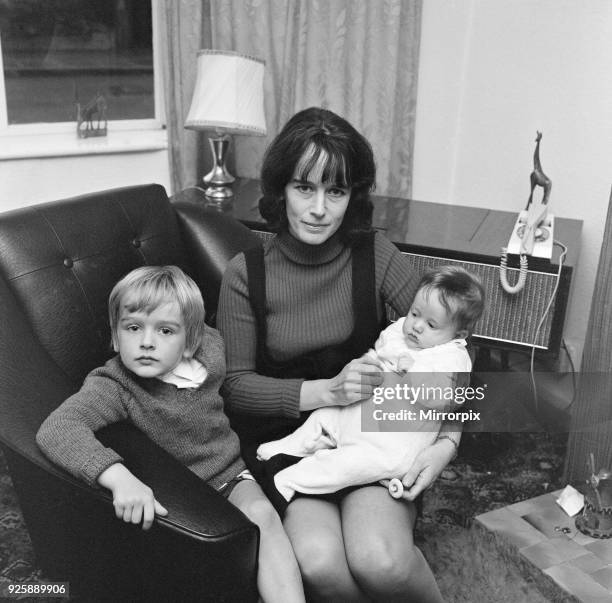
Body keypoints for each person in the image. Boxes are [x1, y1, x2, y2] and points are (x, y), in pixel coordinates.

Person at [218, 106, 461, 602]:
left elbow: (452, 350)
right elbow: (234, 386)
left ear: (353, 196)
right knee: (321, 564)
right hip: (297, 445)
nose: (319, 209)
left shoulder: (375, 255)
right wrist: (324, 391)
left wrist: (445, 445)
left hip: (378, 436)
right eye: (304, 188)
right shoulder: (246, 273)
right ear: (280, 189)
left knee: (381, 562)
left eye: (336, 191)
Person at [36, 266, 305, 603]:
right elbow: (57, 429)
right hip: (181, 497)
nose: (147, 342)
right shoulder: (114, 386)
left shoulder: (211, 348)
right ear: (116, 336)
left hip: (231, 474)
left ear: (190, 341)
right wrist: (117, 477)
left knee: (264, 517)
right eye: (133, 328)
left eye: (165, 330)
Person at [256, 266, 484, 509]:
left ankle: (287, 482)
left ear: (458, 334)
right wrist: (369, 363)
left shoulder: (452, 358)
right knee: (323, 417)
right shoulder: (404, 330)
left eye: (431, 324)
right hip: (358, 413)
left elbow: (448, 399)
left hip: (389, 445)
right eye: (415, 313)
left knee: (344, 465)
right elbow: (381, 349)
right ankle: (287, 448)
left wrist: (413, 375)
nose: (416, 326)